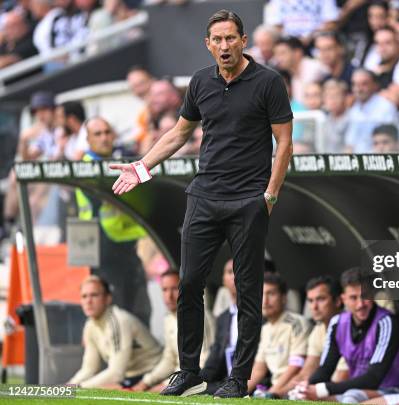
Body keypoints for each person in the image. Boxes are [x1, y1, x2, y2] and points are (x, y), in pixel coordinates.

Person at [110, 9, 293, 398]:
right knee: (189, 284)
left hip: (248, 200)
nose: (224, 46)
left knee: (247, 290)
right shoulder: (199, 82)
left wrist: (270, 194)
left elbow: (285, 144)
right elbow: (179, 133)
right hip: (204, 197)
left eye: (231, 38)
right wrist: (143, 166)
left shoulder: (269, 82)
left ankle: (238, 377)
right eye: (218, 40)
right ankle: (188, 369)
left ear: (244, 41)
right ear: (208, 45)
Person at [299, 268, 399, 403]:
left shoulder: (387, 323)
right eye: (353, 298)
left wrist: (324, 389)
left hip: (397, 389)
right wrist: (308, 386)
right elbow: (326, 368)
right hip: (361, 390)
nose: (360, 304)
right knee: (307, 397)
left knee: (350, 397)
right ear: (343, 299)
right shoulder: (337, 323)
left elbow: (374, 378)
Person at [76, 117, 151, 325]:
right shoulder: (87, 166)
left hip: (124, 244)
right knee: (116, 313)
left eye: (107, 132)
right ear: (88, 139)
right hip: (103, 248)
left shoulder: (113, 163)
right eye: (98, 134)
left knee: (138, 307)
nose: (104, 138)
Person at [68, 276, 162, 388]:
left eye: (94, 295)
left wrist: (80, 387)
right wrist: (69, 386)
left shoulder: (119, 321)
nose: (88, 301)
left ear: (108, 299)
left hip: (152, 373)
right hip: (130, 376)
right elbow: (89, 368)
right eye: (84, 296)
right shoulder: (90, 326)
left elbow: (116, 374)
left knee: (107, 389)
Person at [131, 270, 213, 393]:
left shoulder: (199, 316)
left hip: (201, 382)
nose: (169, 295)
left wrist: (166, 385)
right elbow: (169, 358)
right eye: (164, 290)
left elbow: (204, 361)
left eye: (174, 288)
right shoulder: (169, 319)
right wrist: (146, 382)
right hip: (179, 380)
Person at [248, 273, 310, 398]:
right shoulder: (265, 329)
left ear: (284, 297)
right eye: (262, 294)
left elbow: (296, 365)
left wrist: (272, 393)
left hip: (294, 389)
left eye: (271, 294)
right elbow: (258, 369)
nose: (265, 300)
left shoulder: (297, 323)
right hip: (276, 389)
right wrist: (239, 391)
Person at [286, 276, 346, 397]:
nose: (314, 307)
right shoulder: (318, 330)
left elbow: (342, 377)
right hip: (325, 389)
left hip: (348, 393)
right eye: (310, 300)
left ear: (338, 301)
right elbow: (307, 371)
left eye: (321, 299)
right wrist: (278, 393)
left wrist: (310, 392)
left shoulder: (348, 326)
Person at [197, 259, 240, 394]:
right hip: (226, 381)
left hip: (251, 382)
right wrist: (197, 381)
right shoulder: (223, 318)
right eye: (230, 272)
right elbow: (215, 357)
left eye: (239, 270)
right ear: (223, 280)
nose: (235, 276)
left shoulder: (261, 314)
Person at [344, 68, 398, 153]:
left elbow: (390, 141)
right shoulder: (354, 109)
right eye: (355, 84)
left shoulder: (385, 107)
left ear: (375, 85)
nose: (359, 89)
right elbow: (349, 143)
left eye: (364, 84)